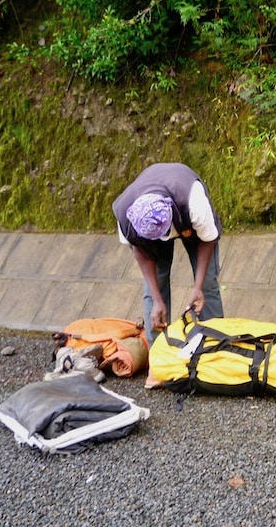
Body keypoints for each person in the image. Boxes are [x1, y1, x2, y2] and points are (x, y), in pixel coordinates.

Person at [112, 162, 225, 388]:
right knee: (154, 289)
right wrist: (157, 299)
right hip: (150, 231)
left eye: (163, 234)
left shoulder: (193, 200)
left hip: (186, 218)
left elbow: (208, 239)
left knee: (208, 285)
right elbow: (140, 253)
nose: (163, 240)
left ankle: (216, 357)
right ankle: (158, 363)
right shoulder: (125, 214)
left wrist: (198, 287)